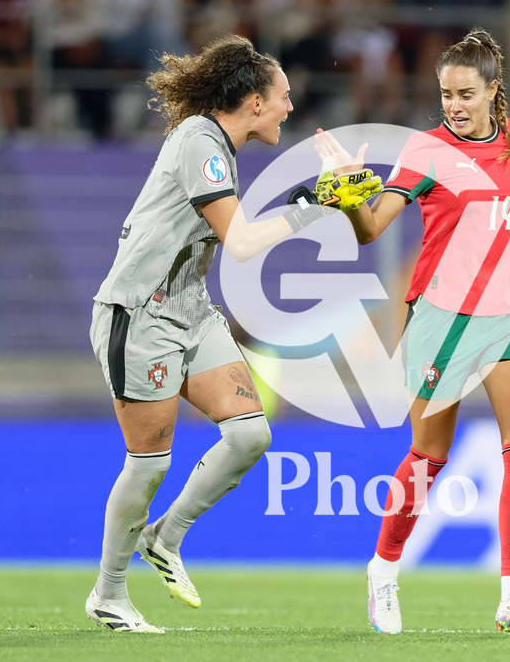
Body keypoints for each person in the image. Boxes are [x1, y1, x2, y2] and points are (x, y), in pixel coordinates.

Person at [85, 33, 379, 633]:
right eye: (284, 97)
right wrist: (312, 203)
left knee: (249, 435)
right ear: (252, 101)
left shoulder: (216, 144)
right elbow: (242, 243)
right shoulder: (199, 140)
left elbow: (237, 234)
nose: (289, 108)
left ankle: (166, 536)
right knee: (147, 466)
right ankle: (108, 593)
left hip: (189, 309)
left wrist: (314, 200)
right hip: (141, 314)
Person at [315, 27, 510, 634]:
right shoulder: (426, 152)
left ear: (495, 93)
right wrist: (347, 193)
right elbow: (372, 228)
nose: (454, 106)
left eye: (465, 94)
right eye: (445, 95)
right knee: (427, 456)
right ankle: (383, 570)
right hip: (444, 316)